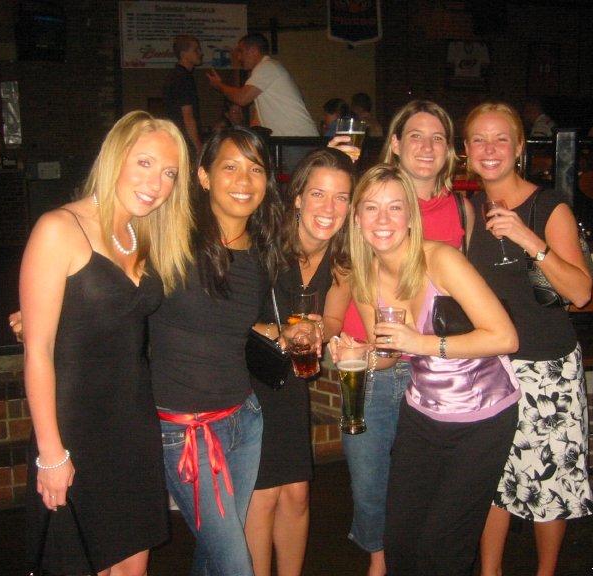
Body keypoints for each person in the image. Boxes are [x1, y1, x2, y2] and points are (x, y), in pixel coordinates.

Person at [21, 110, 192, 576]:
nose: (156, 183)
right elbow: (38, 352)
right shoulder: (59, 229)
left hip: (133, 424)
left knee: (133, 564)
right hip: (74, 428)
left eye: (169, 173)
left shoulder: (146, 236)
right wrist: (50, 453)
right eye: (144, 163)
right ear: (115, 157)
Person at [333, 163, 520, 575]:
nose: (383, 219)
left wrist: (421, 343)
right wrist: (359, 355)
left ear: (410, 216)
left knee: (443, 548)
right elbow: (389, 353)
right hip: (422, 415)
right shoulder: (365, 276)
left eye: (395, 207)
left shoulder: (442, 260)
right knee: (400, 538)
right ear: (356, 218)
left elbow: (505, 337)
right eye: (371, 208)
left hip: (482, 418)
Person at [330, 99, 474, 576]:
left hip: (435, 370)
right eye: (415, 135)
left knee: (419, 487)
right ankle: (379, 563)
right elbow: (322, 242)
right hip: (371, 364)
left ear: (450, 149)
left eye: (438, 138)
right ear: (394, 143)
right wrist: (333, 164)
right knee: (370, 481)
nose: (426, 147)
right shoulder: (366, 194)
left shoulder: (462, 209)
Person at [462, 102, 593, 576]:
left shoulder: (548, 206)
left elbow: (580, 291)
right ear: (466, 151)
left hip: (547, 366)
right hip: (489, 365)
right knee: (492, 478)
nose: (490, 148)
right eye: (479, 139)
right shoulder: (468, 210)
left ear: (519, 147)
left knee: (550, 479)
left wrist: (529, 240)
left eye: (501, 138)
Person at [152, 126, 286, 576]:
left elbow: (226, 320)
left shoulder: (263, 253)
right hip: (186, 430)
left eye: (255, 169)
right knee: (235, 563)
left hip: (244, 420)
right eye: (230, 167)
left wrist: (277, 331)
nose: (244, 180)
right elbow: (110, 273)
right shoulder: (171, 238)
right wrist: (49, 306)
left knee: (215, 556)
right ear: (204, 176)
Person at [245, 148, 354, 576]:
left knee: (297, 494)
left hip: (289, 380)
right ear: (297, 198)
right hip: (247, 378)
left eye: (341, 197)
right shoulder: (263, 244)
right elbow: (232, 319)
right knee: (263, 496)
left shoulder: (342, 259)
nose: (329, 208)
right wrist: (282, 332)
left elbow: (333, 318)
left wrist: (318, 329)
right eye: (318, 194)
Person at [206, 33, 318, 137]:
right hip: (293, 138)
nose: (239, 57)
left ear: (254, 51)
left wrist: (219, 85)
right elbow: (258, 120)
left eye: (241, 51)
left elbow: (242, 98)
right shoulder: (266, 71)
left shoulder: (267, 67)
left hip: (296, 138)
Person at [164, 34, 204, 154]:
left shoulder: (177, 75)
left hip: (177, 138)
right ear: (183, 54)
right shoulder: (182, 78)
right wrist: (198, 146)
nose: (200, 53)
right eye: (196, 50)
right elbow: (188, 116)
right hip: (185, 141)